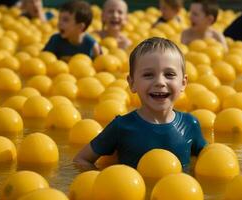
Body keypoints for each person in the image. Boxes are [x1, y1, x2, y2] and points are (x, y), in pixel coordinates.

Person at [73, 37, 207, 172]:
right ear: (132, 83)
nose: (160, 82)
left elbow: (207, 160)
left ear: (183, 83)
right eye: (148, 75)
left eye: (169, 74)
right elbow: (81, 159)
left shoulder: (190, 124)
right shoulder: (122, 126)